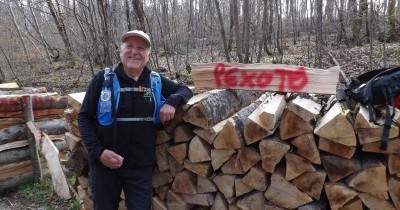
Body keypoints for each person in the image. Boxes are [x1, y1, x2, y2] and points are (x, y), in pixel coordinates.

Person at [78, 30, 193, 210]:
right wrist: (98, 152)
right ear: (120, 50)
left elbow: (185, 90)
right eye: (129, 46)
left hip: (139, 167)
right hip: (104, 166)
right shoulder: (103, 79)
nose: (134, 52)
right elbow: (84, 117)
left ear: (148, 55)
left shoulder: (154, 81)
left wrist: (172, 101)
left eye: (141, 48)